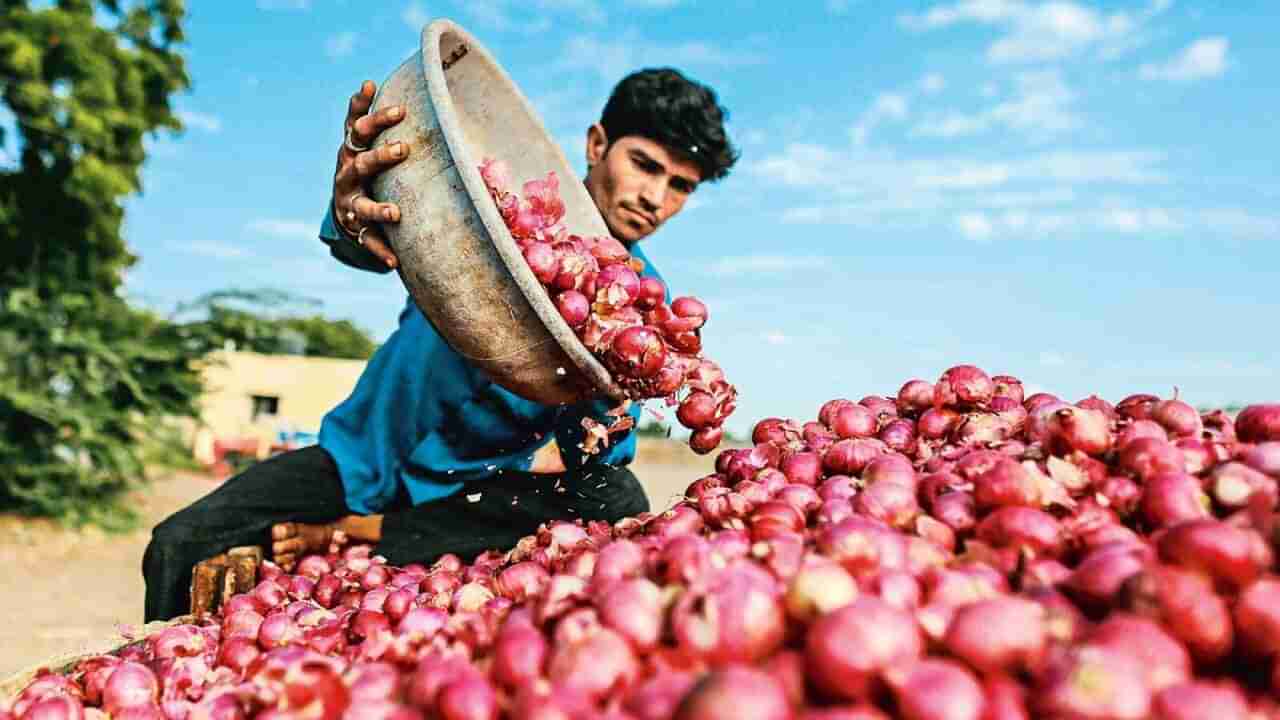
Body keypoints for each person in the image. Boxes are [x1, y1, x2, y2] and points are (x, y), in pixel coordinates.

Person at [142, 67, 738, 621]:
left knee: (620, 498)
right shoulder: (497, 210)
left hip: (472, 492)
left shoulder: (644, 309)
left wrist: (602, 403)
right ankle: (177, 668)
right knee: (180, 542)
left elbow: (596, 458)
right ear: (596, 144)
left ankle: (366, 533)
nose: (655, 199)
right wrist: (352, 210)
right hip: (362, 460)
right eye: (644, 164)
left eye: (680, 186)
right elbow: (373, 239)